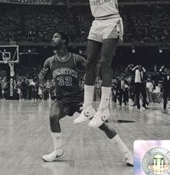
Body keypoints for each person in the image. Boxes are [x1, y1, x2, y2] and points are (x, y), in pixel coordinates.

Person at [51, 0, 123, 128]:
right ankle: (88, 107)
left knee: (104, 63)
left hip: (111, 21)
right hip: (97, 22)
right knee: (90, 63)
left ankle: (104, 108)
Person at [39, 32, 133, 166]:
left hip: (79, 100)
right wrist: (42, 80)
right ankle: (58, 150)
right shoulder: (49, 61)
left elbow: (93, 72)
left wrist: (100, 62)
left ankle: (127, 153)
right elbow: (42, 81)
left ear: (64, 40)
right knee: (53, 116)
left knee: (102, 125)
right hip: (62, 100)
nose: (52, 39)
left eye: (55, 36)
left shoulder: (76, 59)